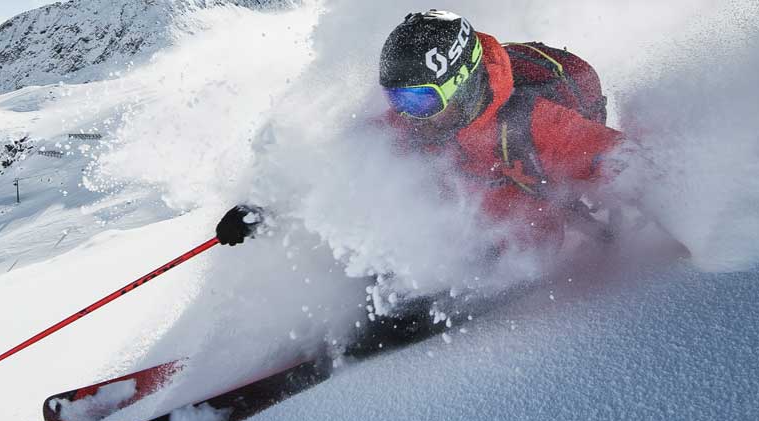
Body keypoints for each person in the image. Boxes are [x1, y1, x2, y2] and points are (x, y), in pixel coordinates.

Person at [218, 9, 624, 251]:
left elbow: (627, 160)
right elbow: (343, 174)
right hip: (468, 197)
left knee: (482, 246)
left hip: (525, 223)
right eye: (398, 99)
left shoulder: (533, 122)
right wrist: (266, 212)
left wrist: (675, 210)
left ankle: (415, 307)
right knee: (390, 209)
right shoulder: (418, 122)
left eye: (419, 100)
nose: (408, 114)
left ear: (460, 84)